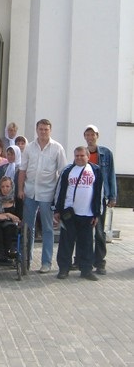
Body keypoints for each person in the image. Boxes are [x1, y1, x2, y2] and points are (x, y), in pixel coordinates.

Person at [17, 119, 67, 273]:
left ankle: (46, 263)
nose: (43, 132)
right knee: (28, 228)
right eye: (40, 129)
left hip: (48, 193)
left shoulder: (57, 148)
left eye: (46, 129)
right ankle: (26, 260)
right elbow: (22, 170)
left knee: (47, 229)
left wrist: (59, 196)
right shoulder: (29, 148)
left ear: (50, 130)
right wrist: (20, 189)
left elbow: (63, 172)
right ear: (36, 130)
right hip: (30, 191)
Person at [53, 146, 103, 281]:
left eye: (82, 156)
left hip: (87, 213)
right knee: (66, 242)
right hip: (69, 213)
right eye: (77, 156)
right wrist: (57, 210)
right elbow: (59, 191)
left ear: (88, 156)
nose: (79, 158)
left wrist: (97, 214)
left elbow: (99, 193)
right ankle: (64, 268)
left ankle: (86, 270)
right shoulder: (68, 170)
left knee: (86, 243)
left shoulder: (95, 171)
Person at [83, 124, 117, 275]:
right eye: (87, 135)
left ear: (97, 136)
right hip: (85, 197)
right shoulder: (82, 153)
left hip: (101, 197)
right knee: (84, 230)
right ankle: (83, 260)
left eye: (93, 135)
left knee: (99, 231)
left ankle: (100, 262)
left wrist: (112, 196)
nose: (90, 138)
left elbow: (111, 175)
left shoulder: (106, 153)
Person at [0, 176, 22, 263]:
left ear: (12, 187)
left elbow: (18, 218)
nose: (5, 189)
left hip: (11, 226)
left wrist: (6, 215)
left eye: (7, 186)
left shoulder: (17, 200)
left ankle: (6, 252)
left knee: (8, 228)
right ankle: (1, 253)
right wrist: (9, 216)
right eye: (2, 187)